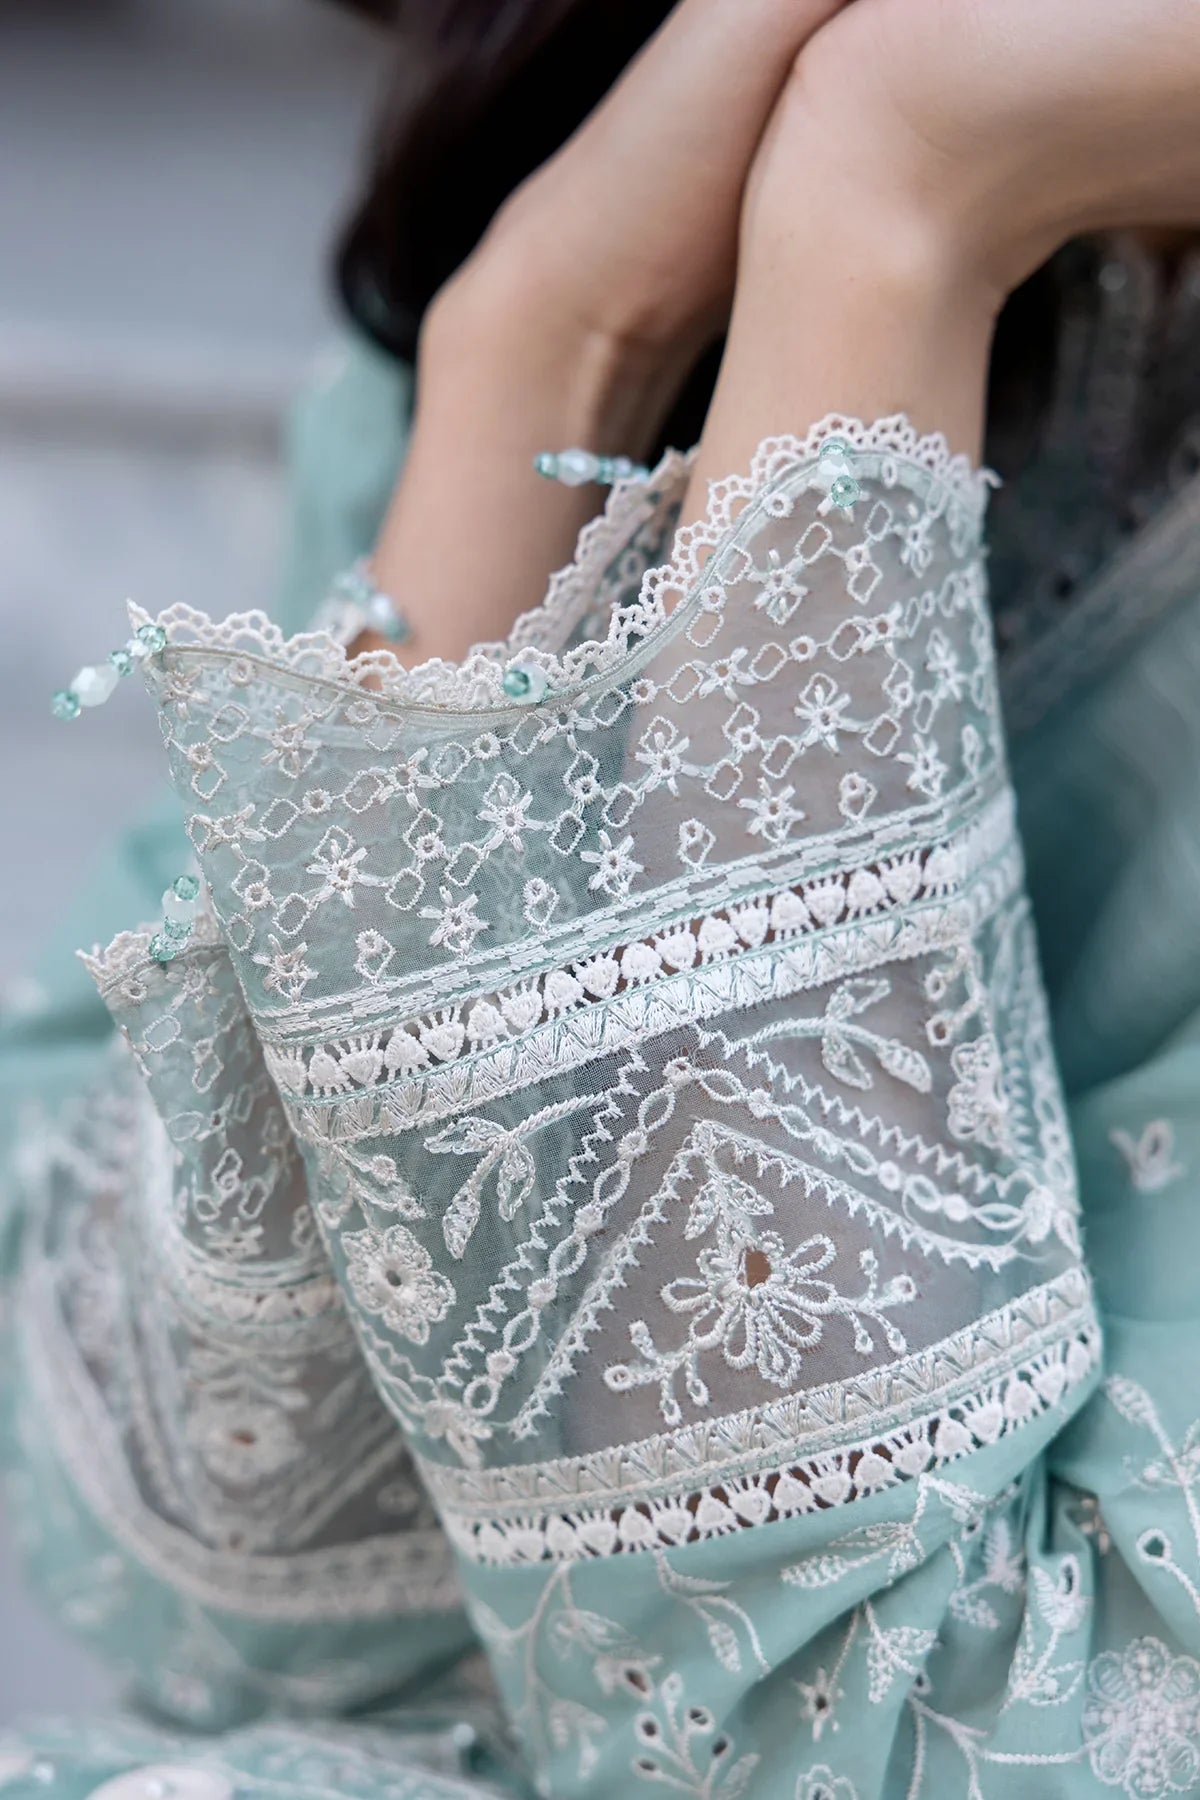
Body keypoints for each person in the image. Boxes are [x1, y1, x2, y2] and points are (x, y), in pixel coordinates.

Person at [3, 2, 1200, 1795]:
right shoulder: (650, 155)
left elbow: (871, 1745)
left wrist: (903, 198)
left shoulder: (880, 136)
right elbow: (195, 1532)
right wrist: (546, 342)